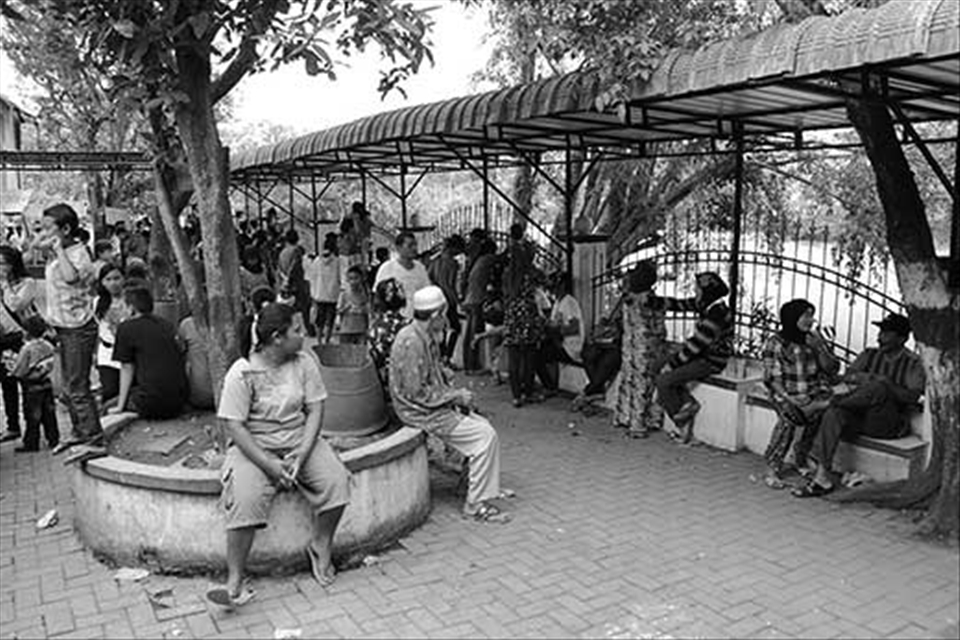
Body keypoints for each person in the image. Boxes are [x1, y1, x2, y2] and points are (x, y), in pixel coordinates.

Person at [209, 303, 351, 608]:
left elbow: (315, 409)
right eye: (297, 330)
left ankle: (321, 543)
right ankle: (234, 578)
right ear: (277, 337)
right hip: (254, 447)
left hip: (300, 440)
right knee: (245, 500)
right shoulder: (242, 372)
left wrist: (303, 451)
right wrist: (269, 465)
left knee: (337, 482)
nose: (304, 335)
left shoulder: (304, 363)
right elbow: (234, 426)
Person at [389, 286, 510, 523]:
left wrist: (447, 380)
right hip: (418, 412)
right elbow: (416, 393)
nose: (446, 320)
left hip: (430, 406)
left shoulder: (424, 335)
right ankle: (475, 505)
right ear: (435, 315)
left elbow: (428, 377)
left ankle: (475, 488)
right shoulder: (411, 341)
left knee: (482, 425)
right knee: (484, 437)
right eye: (444, 314)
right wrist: (454, 397)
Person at [795, 313, 926, 498]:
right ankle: (821, 478)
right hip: (859, 416)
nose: (880, 337)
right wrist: (866, 379)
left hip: (888, 424)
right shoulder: (869, 354)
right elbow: (848, 377)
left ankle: (824, 405)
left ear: (902, 338)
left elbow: (912, 397)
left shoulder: (913, 363)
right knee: (835, 413)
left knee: (879, 387)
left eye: (887, 333)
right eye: (880, 332)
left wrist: (886, 384)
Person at [34, 204, 102, 450]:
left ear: (65, 229)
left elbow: (71, 278)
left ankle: (93, 439)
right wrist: (46, 239)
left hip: (78, 328)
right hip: (63, 327)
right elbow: (32, 247)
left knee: (77, 386)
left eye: (49, 227)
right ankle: (78, 432)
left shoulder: (78, 253)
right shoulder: (58, 251)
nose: (44, 232)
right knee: (68, 388)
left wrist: (58, 249)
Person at [761, 299, 839, 489]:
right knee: (790, 417)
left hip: (814, 391)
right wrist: (790, 398)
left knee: (826, 414)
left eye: (811, 315)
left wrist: (819, 347)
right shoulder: (777, 343)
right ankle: (772, 468)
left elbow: (831, 369)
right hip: (786, 394)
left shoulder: (812, 339)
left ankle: (801, 458)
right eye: (806, 316)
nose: (811, 320)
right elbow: (773, 378)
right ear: (792, 317)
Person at [652, 271, 733, 444]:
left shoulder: (716, 314)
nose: (695, 292)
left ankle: (682, 425)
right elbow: (680, 304)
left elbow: (695, 346)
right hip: (699, 356)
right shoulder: (707, 305)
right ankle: (688, 404)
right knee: (656, 366)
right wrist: (653, 301)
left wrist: (672, 365)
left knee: (663, 381)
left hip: (711, 361)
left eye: (697, 289)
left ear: (707, 292)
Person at [108, 284, 188, 419]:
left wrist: (120, 406)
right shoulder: (166, 324)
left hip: (151, 402)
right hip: (180, 400)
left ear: (131, 308)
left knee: (106, 406)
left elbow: (127, 367)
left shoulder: (126, 328)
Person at [613, 261, 668, 439]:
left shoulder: (629, 297)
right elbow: (658, 326)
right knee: (644, 384)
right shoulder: (650, 299)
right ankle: (642, 422)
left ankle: (626, 418)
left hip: (630, 345)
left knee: (630, 380)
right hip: (647, 346)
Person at [0, 245, 45, 443]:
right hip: (2, 338)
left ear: (13, 264)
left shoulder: (27, 283)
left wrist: (5, 285)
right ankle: (12, 426)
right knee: (6, 383)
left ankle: (34, 430)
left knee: (28, 383)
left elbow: (16, 305)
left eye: (3, 263)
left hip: (21, 337)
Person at [502, 224, 545, 407]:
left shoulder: (508, 269)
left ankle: (516, 395)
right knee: (528, 354)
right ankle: (527, 391)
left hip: (512, 312)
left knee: (514, 354)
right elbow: (544, 279)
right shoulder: (530, 271)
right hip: (527, 312)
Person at [10, 316, 58, 453]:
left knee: (32, 416)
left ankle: (31, 442)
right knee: (49, 413)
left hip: (31, 387)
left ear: (27, 332)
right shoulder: (48, 345)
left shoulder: (27, 349)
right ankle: (53, 438)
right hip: (46, 383)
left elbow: (20, 369)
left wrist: (12, 369)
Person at [93, 264, 132, 404]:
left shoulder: (131, 300)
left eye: (116, 278)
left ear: (123, 279)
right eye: (108, 279)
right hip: (107, 354)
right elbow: (97, 330)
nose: (113, 283)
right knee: (110, 390)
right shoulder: (97, 303)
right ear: (102, 282)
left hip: (129, 353)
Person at [461, 238, 498, 375]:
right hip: (476, 301)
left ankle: (468, 366)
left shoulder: (478, 260)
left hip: (469, 300)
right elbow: (502, 259)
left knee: (469, 335)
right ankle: (473, 367)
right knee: (475, 335)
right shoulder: (488, 259)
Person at [374, 231, 431, 320]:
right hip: (395, 320)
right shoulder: (387, 268)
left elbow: (427, 291)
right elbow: (378, 295)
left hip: (416, 319)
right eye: (410, 245)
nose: (414, 248)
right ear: (398, 248)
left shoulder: (420, 268)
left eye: (415, 245)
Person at [428, 234, 465, 363]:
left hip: (435, 300)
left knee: (440, 328)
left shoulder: (434, 261)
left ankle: (440, 357)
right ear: (453, 248)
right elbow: (450, 285)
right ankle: (447, 357)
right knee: (456, 328)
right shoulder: (452, 264)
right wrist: (457, 301)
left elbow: (429, 279)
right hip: (448, 300)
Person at [367, 278, 408, 387]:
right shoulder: (409, 325)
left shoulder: (377, 328)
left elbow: (374, 359)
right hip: (408, 380)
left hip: (385, 384)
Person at [308, 233, 340, 344]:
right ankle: (327, 340)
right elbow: (340, 279)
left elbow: (311, 277)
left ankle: (319, 340)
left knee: (319, 320)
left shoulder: (317, 261)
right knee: (329, 320)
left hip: (319, 295)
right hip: (333, 296)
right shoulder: (337, 262)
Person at [337, 265, 370, 344]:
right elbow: (338, 310)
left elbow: (368, 310)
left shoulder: (365, 293)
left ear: (361, 278)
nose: (353, 281)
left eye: (356, 278)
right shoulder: (344, 294)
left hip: (361, 330)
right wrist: (346, 308)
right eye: (351, 278)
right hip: (346, 330)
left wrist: (362, 310)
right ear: (347, 280)